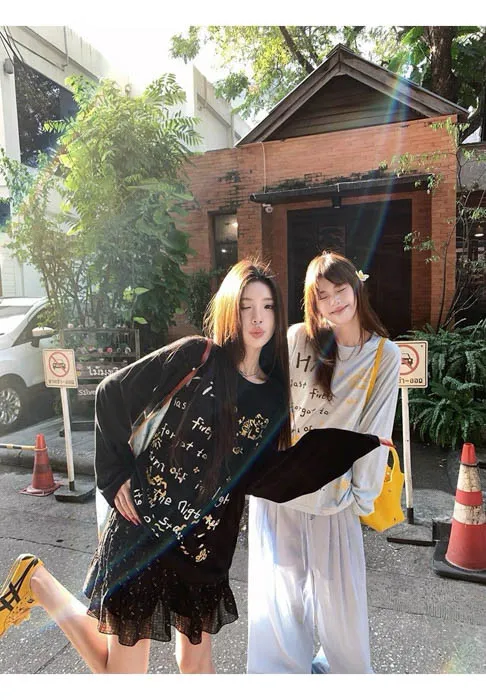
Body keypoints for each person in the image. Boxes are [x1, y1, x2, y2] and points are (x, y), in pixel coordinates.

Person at [0, 259, 388, 674]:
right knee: (123, 677)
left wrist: (346, 447)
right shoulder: (196, 356)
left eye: (268, 307)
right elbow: (112, 393)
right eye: (246, 307)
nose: (257, 319)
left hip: (202, 551)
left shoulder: (274, 396)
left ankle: (35, 580)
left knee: (197, 670)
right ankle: (38, 582)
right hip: (144, 531)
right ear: (230, 310)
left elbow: (270, 476)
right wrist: (114, 477)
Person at [247, 251, 401, 674]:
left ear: (356, 287)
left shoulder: (383, 355)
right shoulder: (297, 338)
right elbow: (264, 403)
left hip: (333, 497)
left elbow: (374, 432)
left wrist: (362, 497)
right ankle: (283, 678)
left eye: (340, 289)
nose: (334, 302)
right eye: (322, 296)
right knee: (281, 601)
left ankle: (345, 676)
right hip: (277, 490)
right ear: (312, 302)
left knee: (341, 607)